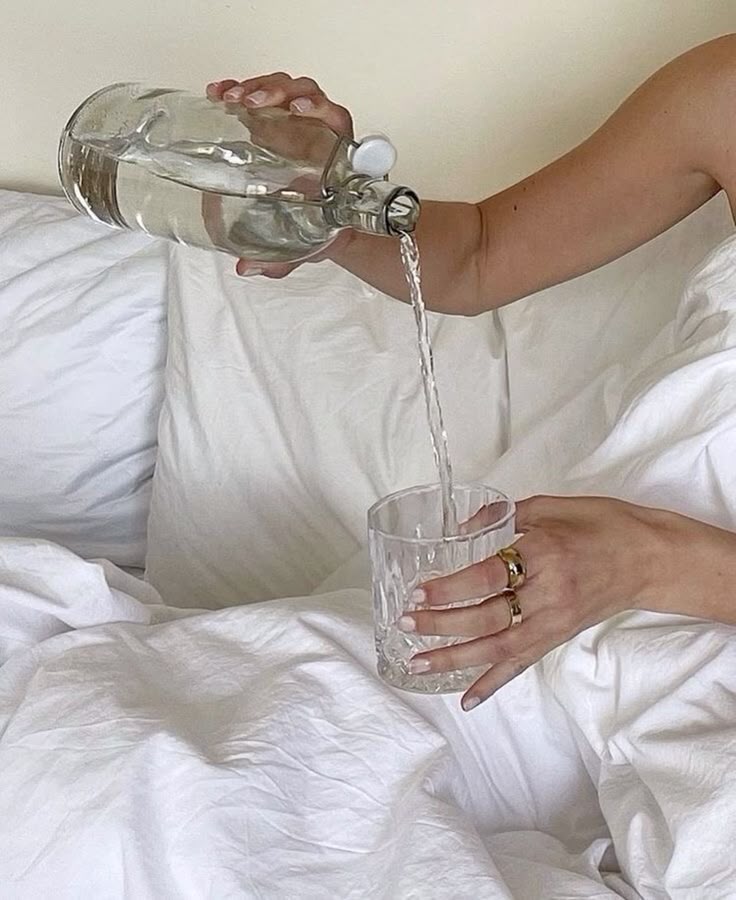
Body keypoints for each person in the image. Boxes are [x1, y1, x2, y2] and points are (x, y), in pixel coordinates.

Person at [204, 34, 736, 712]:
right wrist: (330, 207)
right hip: (561, 609)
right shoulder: (724, 91)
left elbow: (642, 564)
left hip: (662, 636)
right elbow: (480, 254)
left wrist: (651, 562)